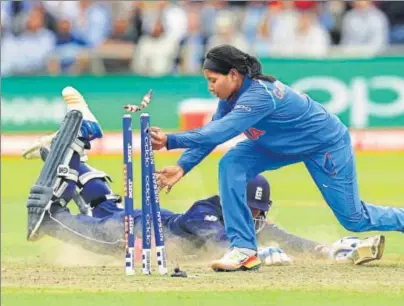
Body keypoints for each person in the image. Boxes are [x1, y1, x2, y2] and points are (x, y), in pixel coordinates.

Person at [149, 44, 404, 272]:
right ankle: (244, 251)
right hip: (275, 145)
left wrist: (171, 141)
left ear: (234, 76)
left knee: (353, 218)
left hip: (324, 144)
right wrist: (182, 166)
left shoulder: (259, 95)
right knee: (231, 163)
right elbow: (213, 131)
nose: (209, 87)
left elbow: (218, 132)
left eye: (213, 80)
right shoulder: (229, 99)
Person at [23, 87, 385, 268]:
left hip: (138, 223)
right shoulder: (205, 214)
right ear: (234, 204)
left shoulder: (251, 225)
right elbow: (218, 238)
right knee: (80, 221)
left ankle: (72, 150)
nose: (258, 218)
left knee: (102, 203)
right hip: (136, 231)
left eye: (260, 211)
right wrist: (261, 252)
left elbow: (285, 239)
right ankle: (52, 216)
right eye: (252, 210)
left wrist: (328, 249)